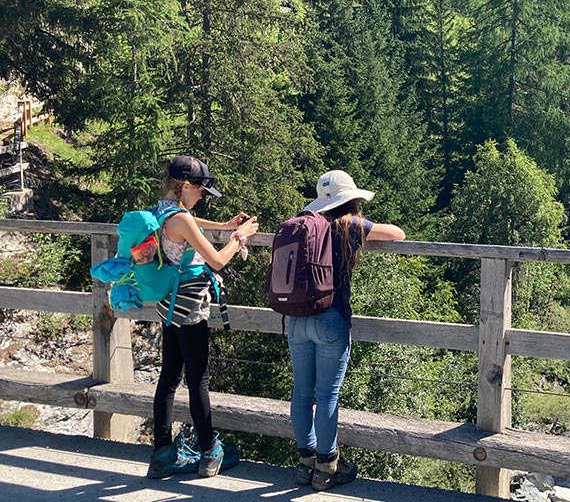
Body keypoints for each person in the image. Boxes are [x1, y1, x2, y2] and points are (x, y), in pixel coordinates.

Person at [288, 169, 405, 491]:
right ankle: (327, 466)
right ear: (351, 199)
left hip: (296, 317)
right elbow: (397, 234)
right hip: (331, 316)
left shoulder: (304, 223)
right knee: (326, 394)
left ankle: (305, 463)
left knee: (301, 392)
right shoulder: (348, 225)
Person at [146, 155, 260, 479]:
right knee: (198, 379)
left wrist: (224, 227)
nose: (201, 197)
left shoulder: (162, 209)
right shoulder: (180, 217)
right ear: (184, 186)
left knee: (169, 377)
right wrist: (238, 238)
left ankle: (162, 454)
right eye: (199, 191)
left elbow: (190, 225)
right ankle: (210, 452)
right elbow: (217, 261)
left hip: (168, 304)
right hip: (188, 308)